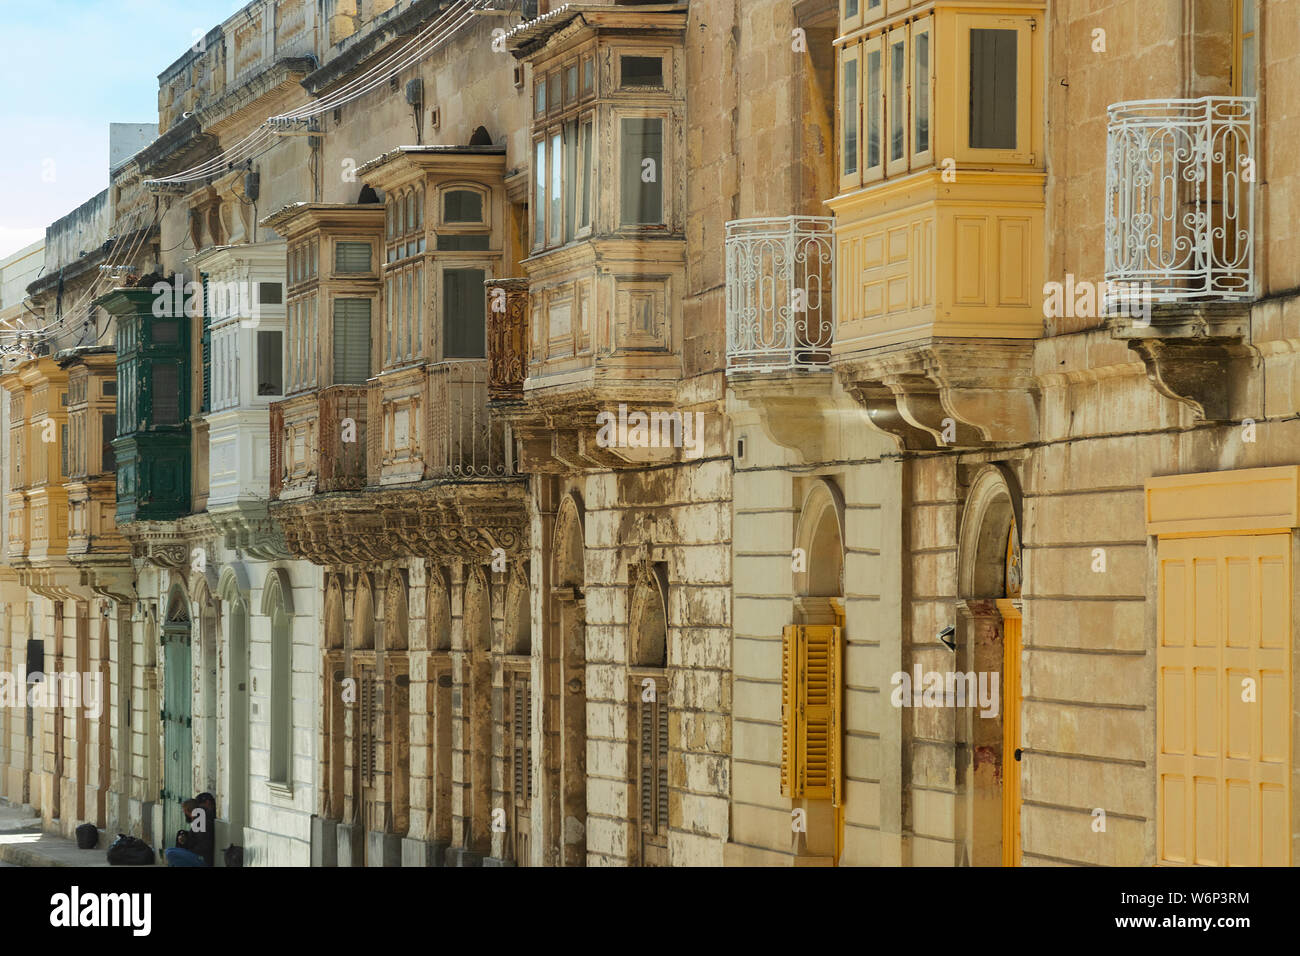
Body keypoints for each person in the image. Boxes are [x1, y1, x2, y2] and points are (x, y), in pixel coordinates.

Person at [164, 796, 215, 867]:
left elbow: (203, 845)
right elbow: (197, 838)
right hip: (198, 854)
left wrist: (189, 848)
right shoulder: (200, 820)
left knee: (170, 853)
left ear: (188, 811)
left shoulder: (201, 821)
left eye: (184, 811)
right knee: (170, 851)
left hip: (202, 858)